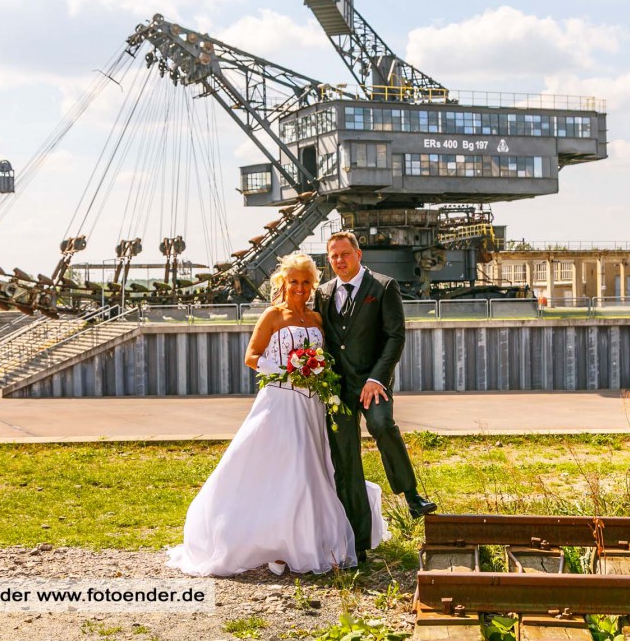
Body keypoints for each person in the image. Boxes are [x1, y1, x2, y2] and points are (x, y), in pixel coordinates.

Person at [166, 252, 387, 577]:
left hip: (312, 404)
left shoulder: (316, 319)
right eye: (294, 281)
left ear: (313, 285)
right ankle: (274, 542)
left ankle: (304, 539)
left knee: (311, 468)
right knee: (285, 466)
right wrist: (288, 371)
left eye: (306, 282)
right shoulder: (272, 315)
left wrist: (321, 373)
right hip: (280, 401)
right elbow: (252, 356)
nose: (299, 287)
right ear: (283, 283)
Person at [314, 232, 436, 564]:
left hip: (372, 383)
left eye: (345, 254)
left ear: (358, 254)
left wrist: (376, 377)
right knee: (346, 460)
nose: (339, 260)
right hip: (337, 387)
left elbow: (395, 337)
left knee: (382, 425)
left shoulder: (383, 287)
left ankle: (411, 495)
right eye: (334, 256)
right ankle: (358, 542)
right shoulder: (322, 294)